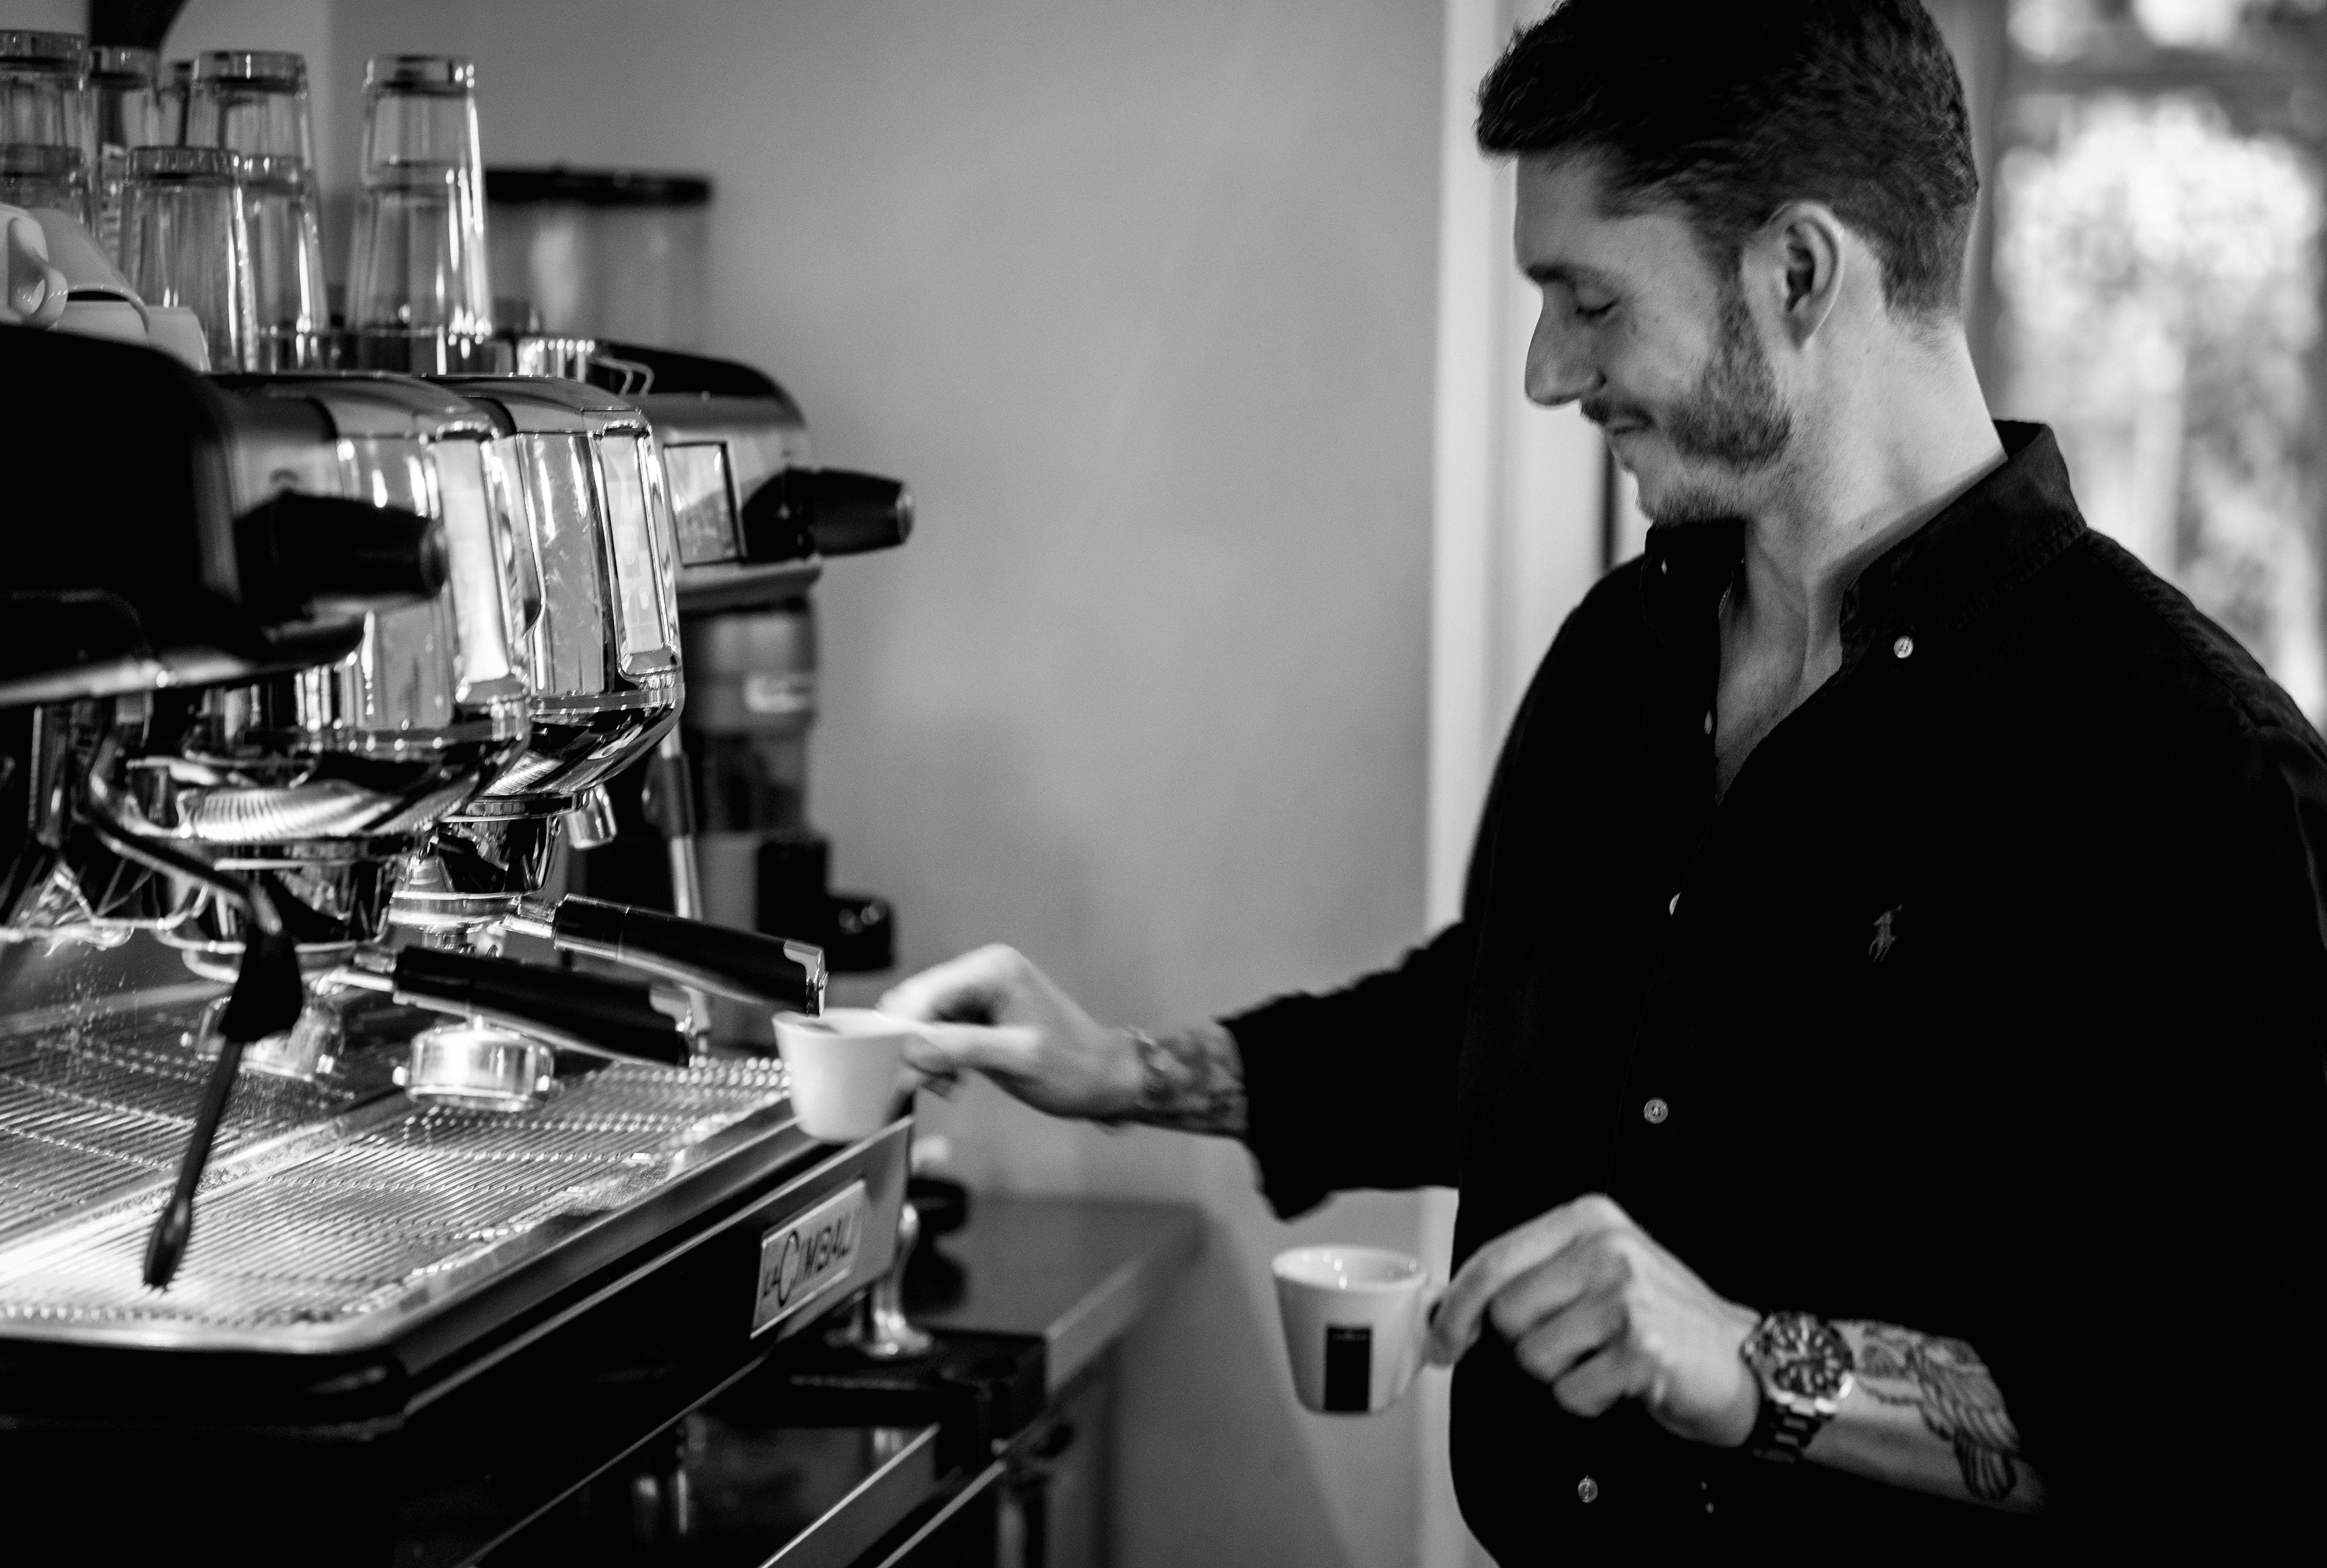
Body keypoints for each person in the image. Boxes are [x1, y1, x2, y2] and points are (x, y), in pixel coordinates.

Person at [880, 1, 2327, 1556]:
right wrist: (1126, 1068)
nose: (1547, 370)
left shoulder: (2193, 769)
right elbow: (1500, 1017)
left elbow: (2242, 1414)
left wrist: (1747, 1362)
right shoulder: (1624, 651)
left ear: (1797, 273)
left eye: (1588, 300)